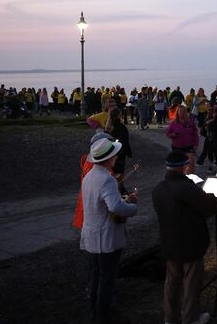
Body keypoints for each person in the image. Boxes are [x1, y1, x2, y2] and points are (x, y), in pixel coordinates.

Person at [152, 151, 217, 324]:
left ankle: (171, 318)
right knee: (191, 282)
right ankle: (190, 318)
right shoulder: (187, 188)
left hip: (169, 241)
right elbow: (207, 207)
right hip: (190, 241)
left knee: (172, 281)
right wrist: (214, 200)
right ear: (183, 167)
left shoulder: (159, 188)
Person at [80, 137, 138, 323]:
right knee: (107, 278)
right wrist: (132, 207)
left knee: (95, 276)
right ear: (110, 158)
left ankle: (94, 310)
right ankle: (103, 314)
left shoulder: (89, 176)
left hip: (91, 235)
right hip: (105, 236)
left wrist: (122, 200)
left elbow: (101, 203)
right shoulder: (107, 179)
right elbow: (114, 207)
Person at [166, 106, 200, 174]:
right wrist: (173, 135)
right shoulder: (173, 123)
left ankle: (190, 179)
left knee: (191, 164)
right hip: (177, 147)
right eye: (180, 111)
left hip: (189, 146)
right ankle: (180, 178)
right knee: (179, 166)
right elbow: (168, 133)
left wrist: (196, 144)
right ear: (177, 113)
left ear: (186, 112)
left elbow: (195, 134)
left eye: (184, 111)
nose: (182, 113)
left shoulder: (190, 122)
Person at [105, 107, 132, 178]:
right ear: (119, 116)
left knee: (111, 173)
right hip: (120, 153)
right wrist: (129, 153)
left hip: (110, 153)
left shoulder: (108, 127)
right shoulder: (121, 127)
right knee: (119, 174)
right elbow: (125, 141)